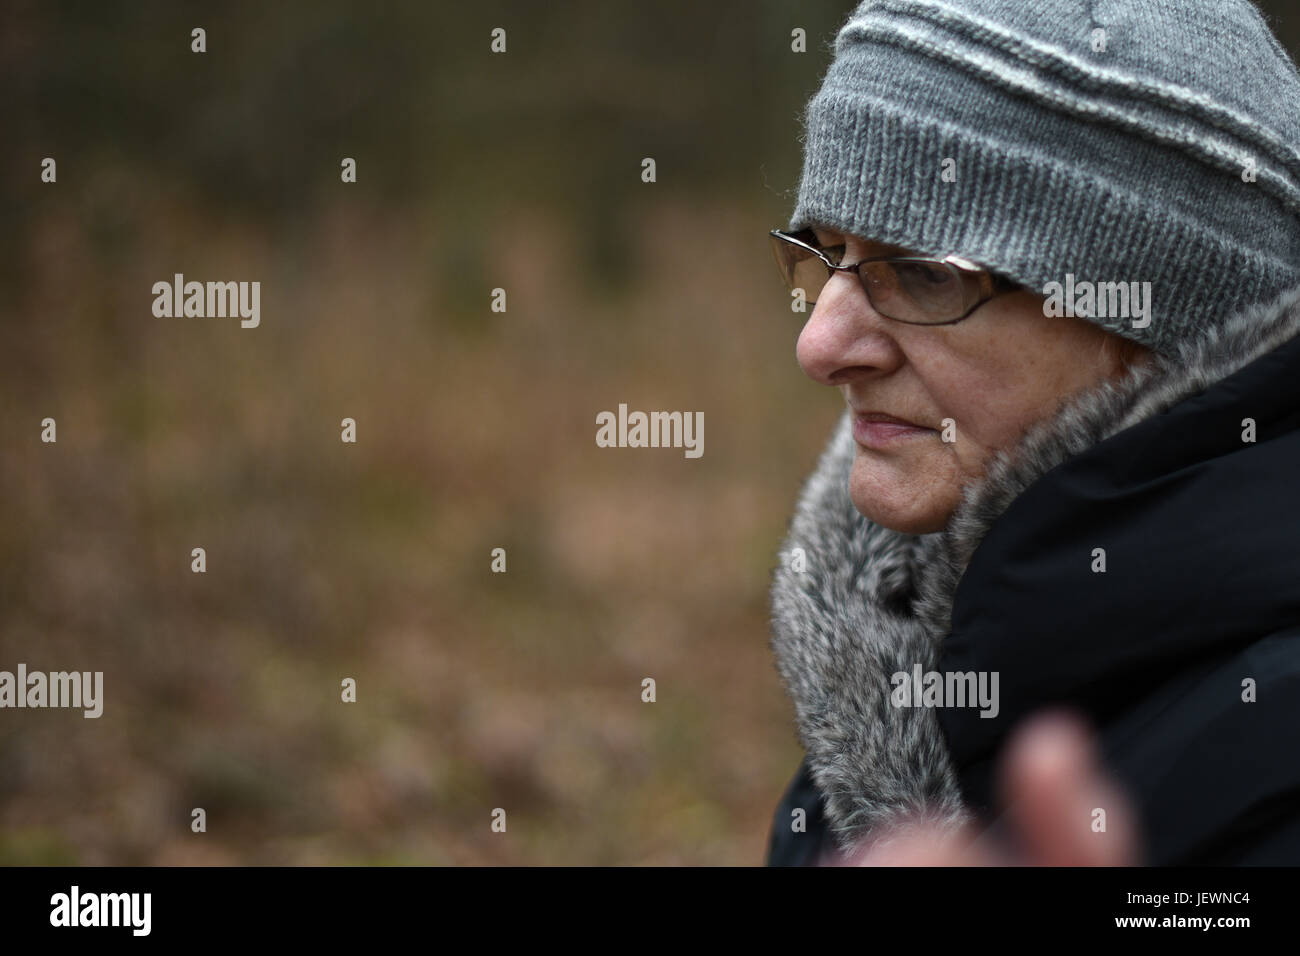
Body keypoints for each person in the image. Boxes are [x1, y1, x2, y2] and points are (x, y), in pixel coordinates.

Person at [764, 0, 1300, 866]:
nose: (818, 346)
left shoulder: (1274, 752)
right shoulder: (901, 640)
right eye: (823, 252)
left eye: (922, 274)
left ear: (1160, 328)